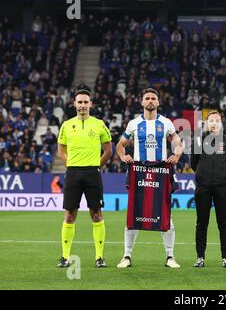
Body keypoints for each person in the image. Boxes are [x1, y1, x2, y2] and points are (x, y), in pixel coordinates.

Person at [116, 88, 184, 269]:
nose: (150, 101)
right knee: (134, 213)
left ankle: (170, 256)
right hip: (138, 170)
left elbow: (177, 142)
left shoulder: (166, 122)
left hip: (161, 171)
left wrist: (176, 155)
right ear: (142, 102)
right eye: (147, 98)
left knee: (165, 214)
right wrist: (123, 157)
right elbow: (120, 145)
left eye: (153, 98)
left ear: (158, 102)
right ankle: (127, 256)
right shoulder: (134, 124)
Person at [56, 89, 112, 268]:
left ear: (91, 104)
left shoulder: (99, 124)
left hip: (92, 173)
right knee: (70, 214)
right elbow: (61, 150)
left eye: (85, 102)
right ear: (74, 104)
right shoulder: (66, 125)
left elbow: (108, 150)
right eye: (79, 102)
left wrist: (96, 166)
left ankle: (99, 257)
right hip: (73, 173)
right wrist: (70, 165)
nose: (82, 105)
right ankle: (65, 257)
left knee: (96, 214)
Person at [191, 110, 226, 268]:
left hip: (222, 187)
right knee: (201, 223)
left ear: (221, 124)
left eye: (217, 121)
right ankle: (200, 258)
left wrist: (222, 176)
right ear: (206, 123)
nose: (213, 123)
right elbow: (193, 163)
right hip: (202, 187)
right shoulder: (198, 141)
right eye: (210, 120)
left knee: (223, 223)